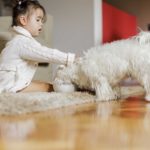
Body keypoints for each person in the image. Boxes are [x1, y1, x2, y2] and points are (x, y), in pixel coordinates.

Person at [0, 0, 76, 93]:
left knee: (41, 83)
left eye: (42, 20)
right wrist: (69, 58)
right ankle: (75, 88)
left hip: (7, 83)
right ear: (23, 20)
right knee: (48, 87)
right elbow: (45, 53)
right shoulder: (22, 42)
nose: (41, 24)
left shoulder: (17, 40)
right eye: (38, 20)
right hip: (10, 86)